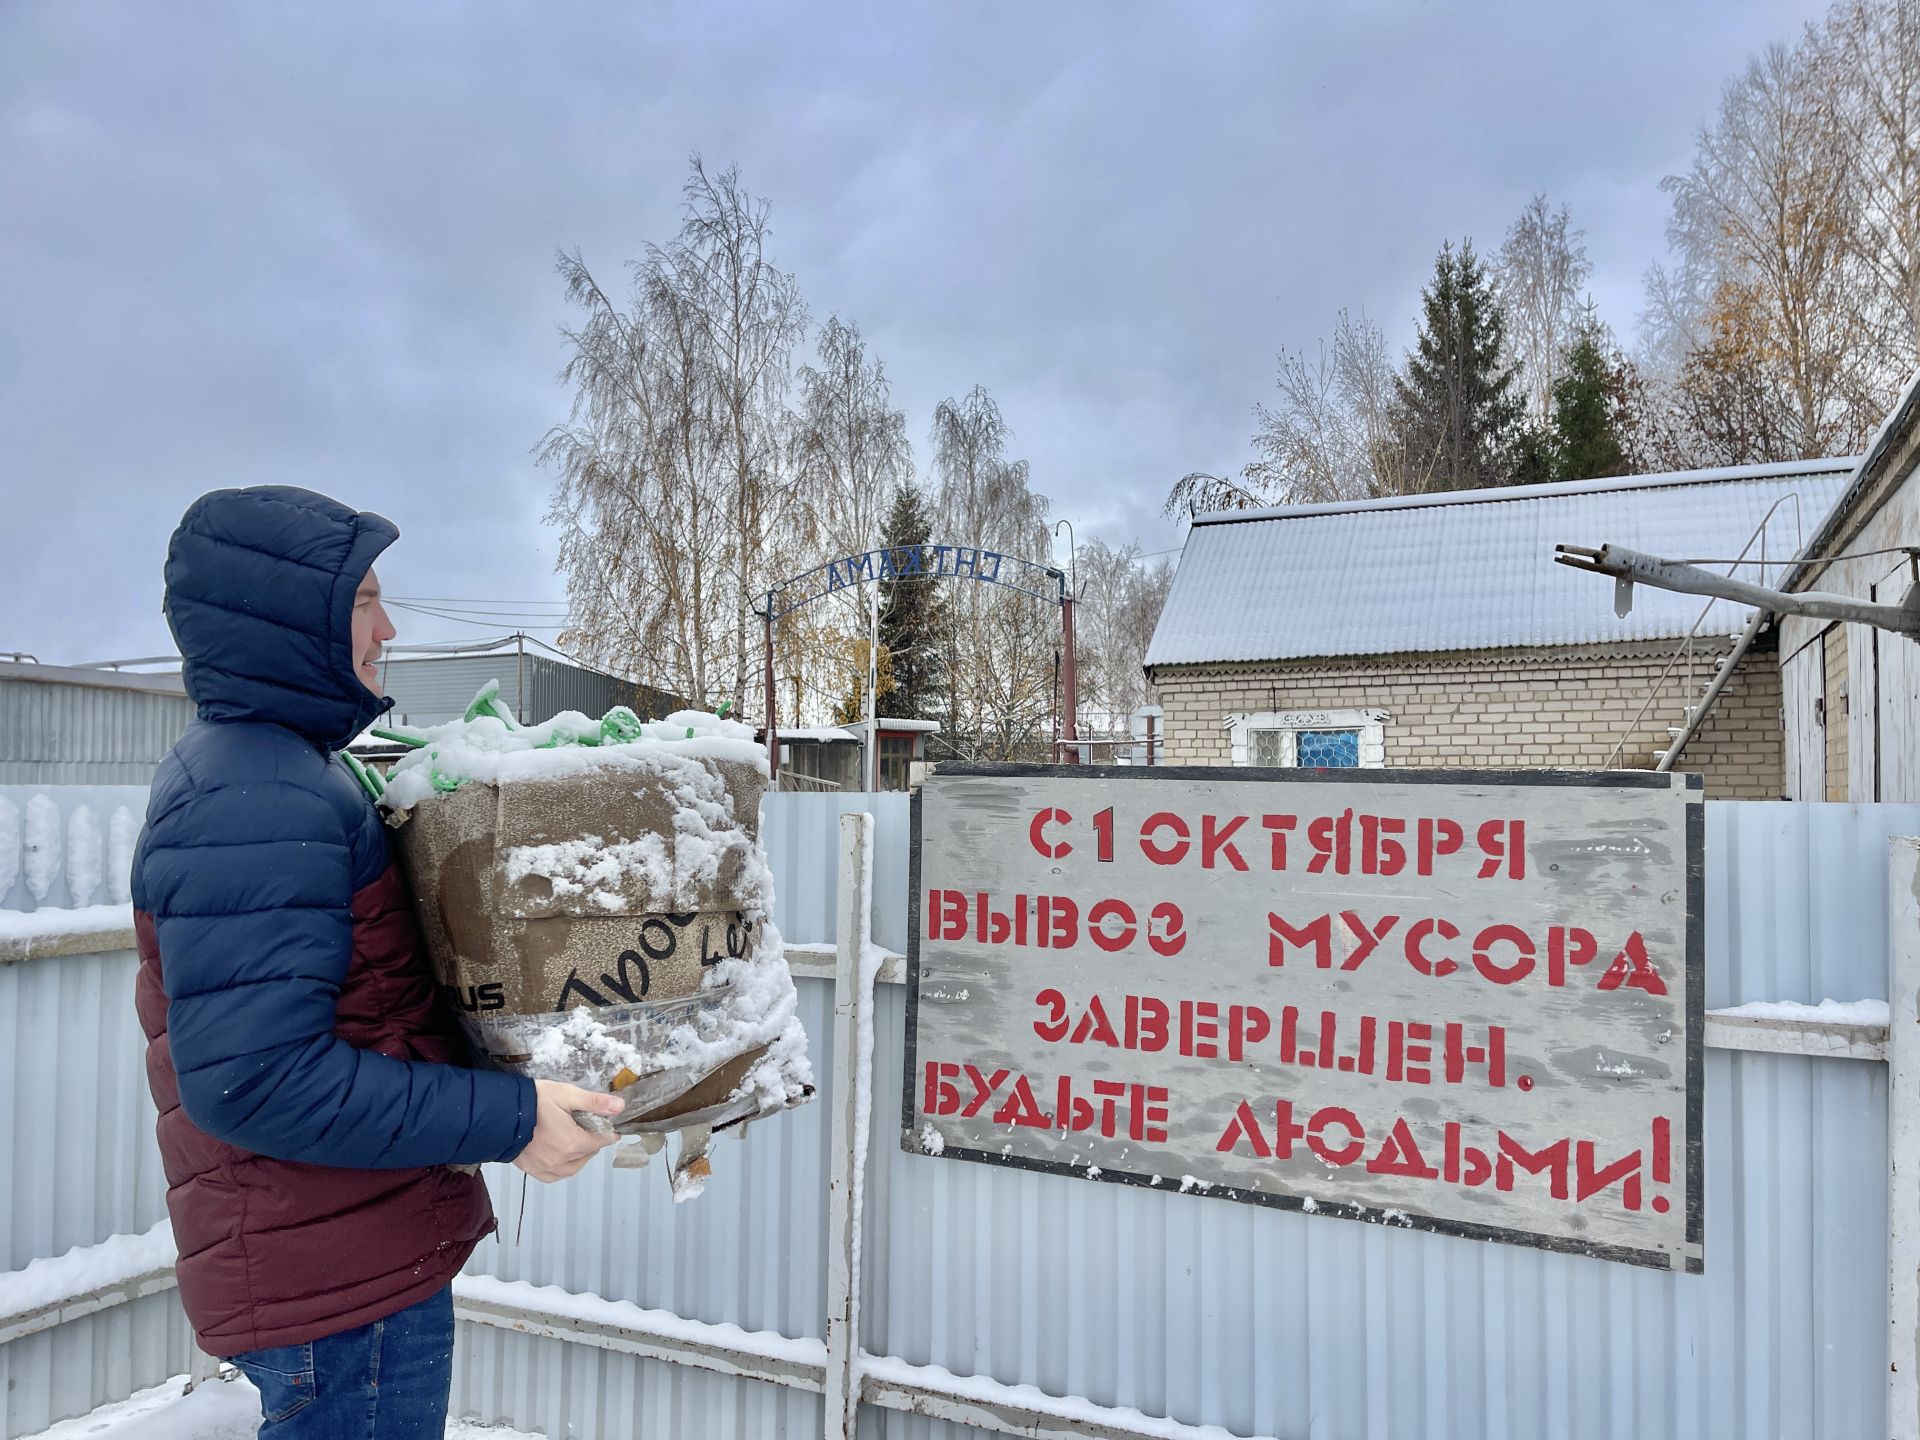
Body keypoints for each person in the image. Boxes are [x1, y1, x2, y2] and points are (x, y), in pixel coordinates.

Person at [132, 485, 623, 1438]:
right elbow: (258, 1083)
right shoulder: (256, 798)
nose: (388, 625)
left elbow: (363, 1008)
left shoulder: (273, 772)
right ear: (286, 617)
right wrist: (511, 1118)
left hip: (335, 1253)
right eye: (362, 599)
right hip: (332, 1283)